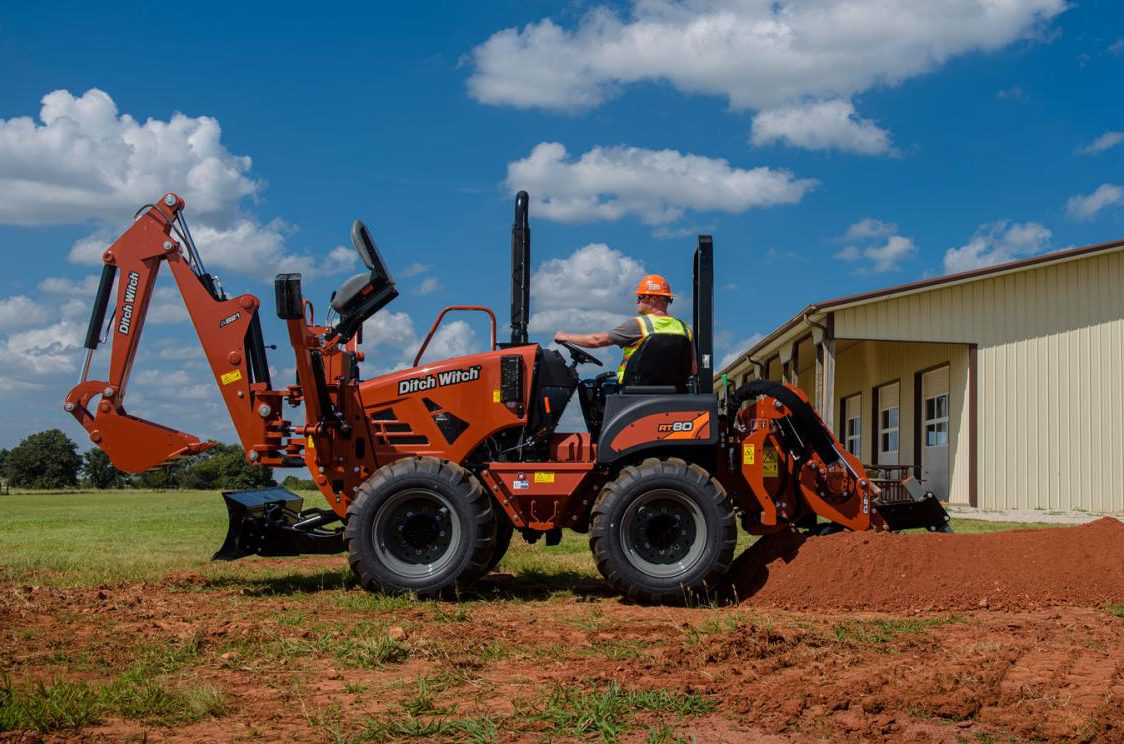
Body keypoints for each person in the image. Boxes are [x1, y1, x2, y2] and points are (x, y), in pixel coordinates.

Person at [553, 274, 692, 383]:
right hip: (676, 392)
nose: (637, 301)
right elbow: (694, 368)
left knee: (590, 386)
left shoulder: (638, 325)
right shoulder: (685, 329)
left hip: (633, 392)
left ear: (653, 299)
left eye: (640, 297)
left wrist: (564, 336)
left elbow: (597, 341)